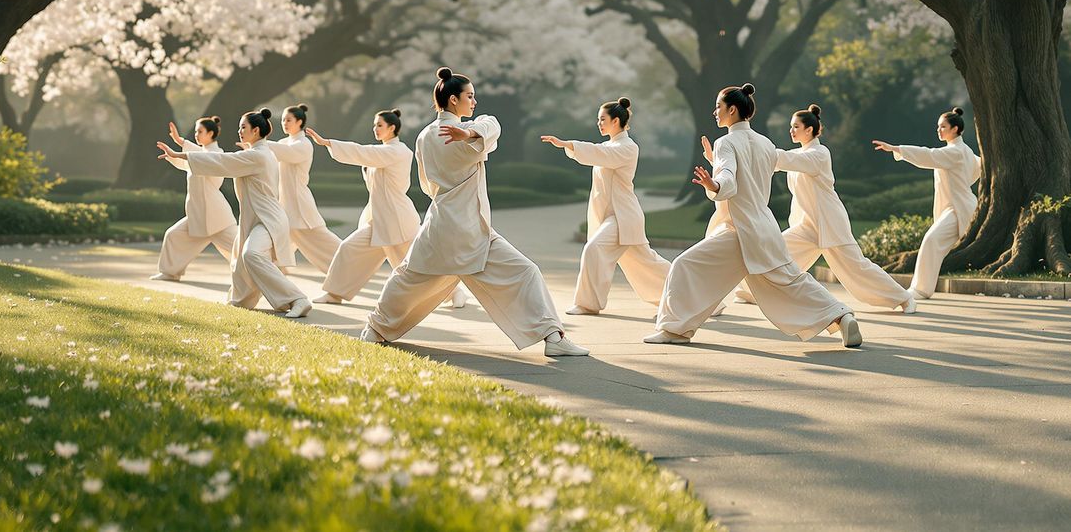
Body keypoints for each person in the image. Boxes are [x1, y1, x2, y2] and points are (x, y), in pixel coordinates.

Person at [361, 68, 589, 357]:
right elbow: (492, 125)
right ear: (453, 100)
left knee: (408, 278)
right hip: (469, 228)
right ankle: (553, 338)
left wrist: (467, 132)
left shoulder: (424, 136)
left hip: (440, 224)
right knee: (525, 272)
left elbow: (427, 184)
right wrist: (469, 133)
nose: (475, 101)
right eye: (470, 96)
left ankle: (374, 329)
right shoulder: (466, 139)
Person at [645, 83, 863, 348]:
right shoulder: (766, 143)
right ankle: (841, 316)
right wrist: (716, 164)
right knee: (790, 281)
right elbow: (742, 171)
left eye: (719, 107)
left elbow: (729, 179)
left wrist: (713, 184)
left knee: (684, 265)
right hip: (764, 229)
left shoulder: (725, 142)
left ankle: (674, 330)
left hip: (740, 231)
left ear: (732, 109)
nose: (715, 112)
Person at [733, 105, 915, 312]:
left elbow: (782, 159)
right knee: (774, 251)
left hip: (830, 223)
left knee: (858, 268)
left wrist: (759, 146)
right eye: (791, 127)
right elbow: (769, 162)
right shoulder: (798, 153)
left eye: (795, 126)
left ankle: (904, 298)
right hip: (807, 226)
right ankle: (751, 291)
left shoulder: (820, 153)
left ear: (809, 130)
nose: (791, 131)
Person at [157, 108, 312, 318]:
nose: (239, 130)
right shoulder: (258, 153)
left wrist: (180, 153)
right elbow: (217, 159)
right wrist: (183, 151)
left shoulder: (257, 156)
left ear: (256, 130)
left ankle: (297, 299)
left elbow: (220, 161)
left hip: (268, 219)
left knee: (251, 254)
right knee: (239, 261)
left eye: (243, 127)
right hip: (255, 218)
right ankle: (241, 303)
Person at [305, 110, 466, 307]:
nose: (375, 129)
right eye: (374, 125)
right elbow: (368, 155)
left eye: (379, 125)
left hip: (397, 221)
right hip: (379, 222)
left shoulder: (398, 151)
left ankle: (454, 291)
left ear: (392, 128)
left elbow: (364, 153)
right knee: (348, 249)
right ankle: (334, 293)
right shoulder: (382, 151)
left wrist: (328, 143)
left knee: (415, 264)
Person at [542, 97, 670, 315]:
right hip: (614, 217)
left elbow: (601, 155)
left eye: (603, 119)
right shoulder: (609, 145)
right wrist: (571, 147)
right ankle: (695, 296)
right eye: (598, 119)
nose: (598, 123)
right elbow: (600, 153)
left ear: (616, 120)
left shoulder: (628, 147)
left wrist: (567, 144)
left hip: (623, 217)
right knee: (648, 264)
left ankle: (587, 304)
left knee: (594, 249)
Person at [873, 107, 981, 299]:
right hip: (960, 206)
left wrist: (896, 149)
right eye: (938, 127)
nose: (938, 130)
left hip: (959, 209)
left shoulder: (954, 152)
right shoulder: (965, 151)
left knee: (931, 241)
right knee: (935, 243)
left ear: (955, 129)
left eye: (943, 127)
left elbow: (928, 155)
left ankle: (920, 289)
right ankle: (921, 288)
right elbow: (978, 168)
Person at [150, 116, 238, 281]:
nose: (196, 134)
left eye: (200, 131)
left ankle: (269, 269)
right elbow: (188, 161)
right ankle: (170, 272)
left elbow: (200, 158)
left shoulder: (217, 154)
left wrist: (181, 142)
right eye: (196, 131)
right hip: (198, 216)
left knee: (242, 250)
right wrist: (176, 149)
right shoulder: (199, 156)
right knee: (173, 235)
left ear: (211, 133)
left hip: (216, 217)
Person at [271, 104, 341, 273]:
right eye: (283, 120)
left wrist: (259, 143)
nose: (284, 123)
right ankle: (278, 268)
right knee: (278, 237)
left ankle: (349, 258)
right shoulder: (283, 142)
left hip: (299, 203)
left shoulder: (303, 144)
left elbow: (286, 153)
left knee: (320, 239)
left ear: (300, 121)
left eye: (289, 120)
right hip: (285, 203)